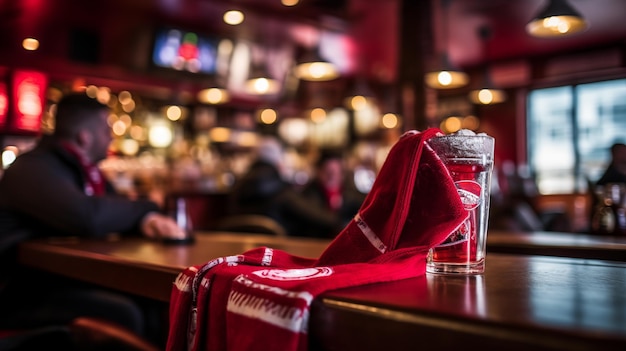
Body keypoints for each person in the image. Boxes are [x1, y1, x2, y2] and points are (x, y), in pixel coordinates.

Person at [0, 92, 185, 345]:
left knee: (152, 303)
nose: (112, 135)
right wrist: (148, 207)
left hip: (60, 279)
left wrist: (146, 219)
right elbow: (89, 216)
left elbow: (113, 208)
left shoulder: (85, 172)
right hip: (16, 292)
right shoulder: (31, 169)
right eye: (106, 127)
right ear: (84, 136)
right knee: (123, 313)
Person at [227, 137, 343, 238]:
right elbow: (322, 219)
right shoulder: (282, 190)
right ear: (279, 162)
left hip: (240, 252)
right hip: (279, 253)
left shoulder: (238, 186)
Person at [300, 150, 365, 234]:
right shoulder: (308, 195)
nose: (332, 177)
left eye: (336, 172)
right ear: (319, 172)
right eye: (328, 172)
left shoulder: (351, 196)